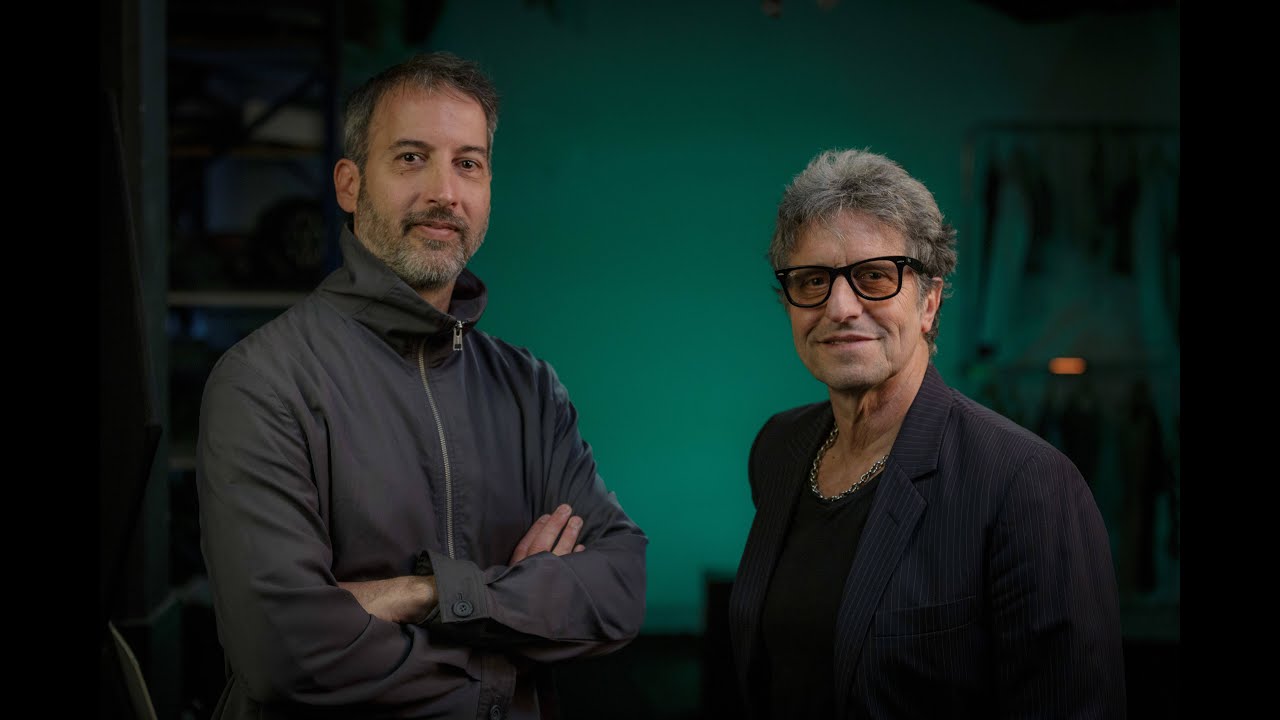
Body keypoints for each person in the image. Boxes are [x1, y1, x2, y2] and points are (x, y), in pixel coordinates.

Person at [195, 51, 648, 719]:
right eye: (411, 158)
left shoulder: (529, 390)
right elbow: (282, 649)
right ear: (349, 185)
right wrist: (507, 653)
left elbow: (619, 588)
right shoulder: (265, 383)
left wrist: (425, 594)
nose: (445, 192)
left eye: (468, 163)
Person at [727, 149, 1125, 718]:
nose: (840, 307)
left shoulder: (1028, 484)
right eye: (813, 280)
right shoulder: (778, 448)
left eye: (873, 276)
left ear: (929, 302)